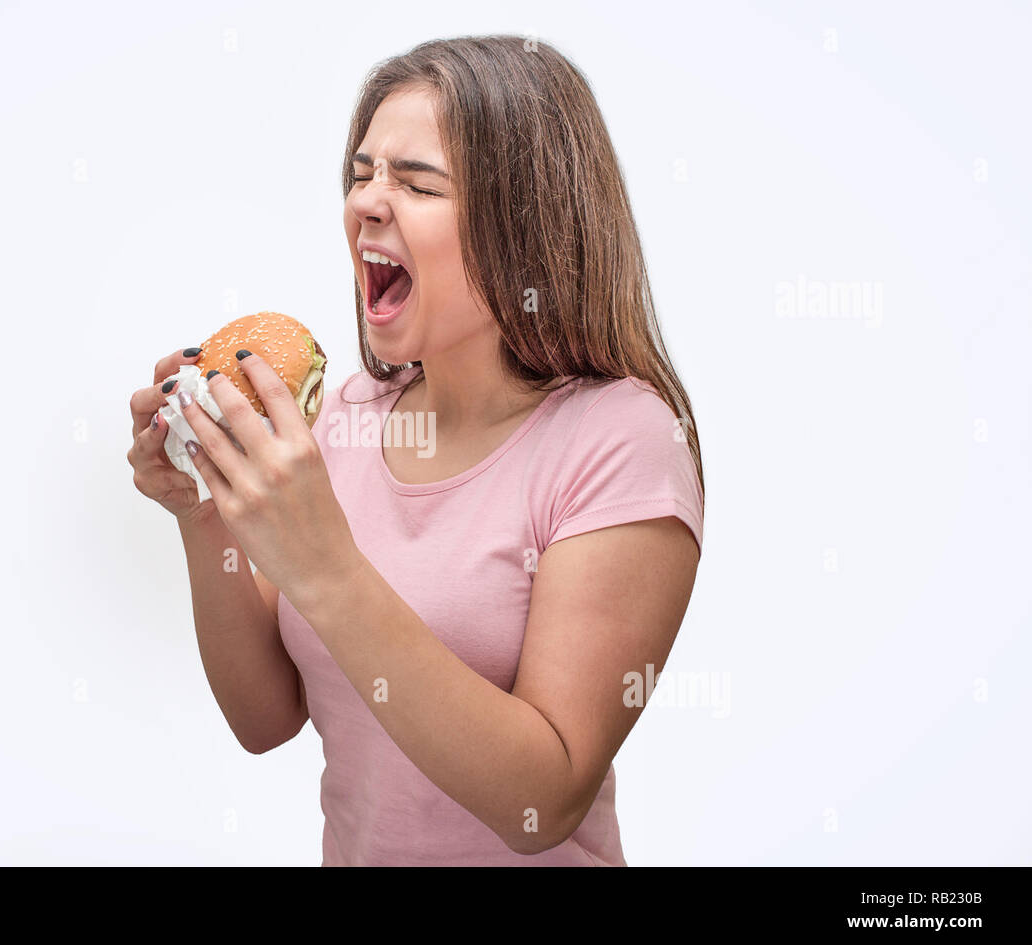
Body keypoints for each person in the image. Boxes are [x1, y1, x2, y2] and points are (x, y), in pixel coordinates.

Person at [127, 35, 704, 866]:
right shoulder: (344, 417)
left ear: (526, 224)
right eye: (361, 175)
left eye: (417, 182)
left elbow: (541, 802)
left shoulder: (622, 441)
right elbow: (264, 721)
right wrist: (205, 510)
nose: (366, 202)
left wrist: (328, 570)